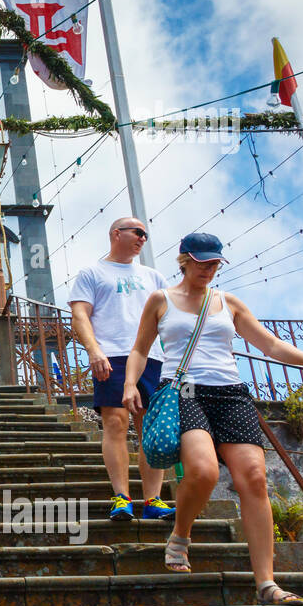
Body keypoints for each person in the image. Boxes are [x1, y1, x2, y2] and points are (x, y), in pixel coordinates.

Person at [123, 232, 303, 606]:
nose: (208, 269)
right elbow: (140, 350)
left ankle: (267, 584)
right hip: (185, 391)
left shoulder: (228, 302)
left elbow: (270, 344)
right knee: (203, 471)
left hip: (230, 393)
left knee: (254, 478)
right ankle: (181, 534)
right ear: (184, 261)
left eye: (214, 263)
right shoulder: (161, 300)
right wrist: (131, 383)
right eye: (202, 263)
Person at [68, 218, 176, 521]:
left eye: (146, 234)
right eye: (137, 232)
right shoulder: (92, 273)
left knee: (150, 427)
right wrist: (94, 350)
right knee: (115, 422)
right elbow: (80, 315)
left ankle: (153, 500)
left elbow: (169, 318)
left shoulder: (153, 276)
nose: (143, 238)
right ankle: (121, 497)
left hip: (152, 357)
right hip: (111, 354)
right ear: (117, 234)